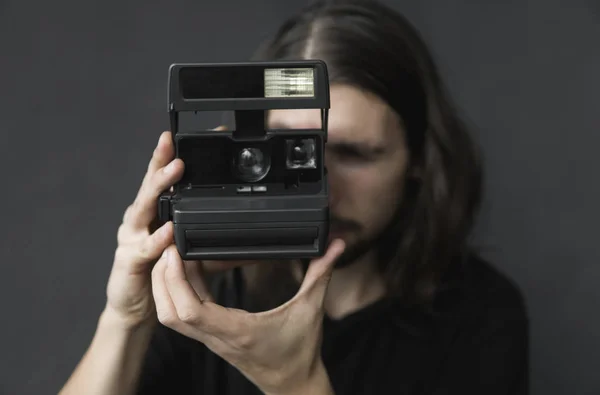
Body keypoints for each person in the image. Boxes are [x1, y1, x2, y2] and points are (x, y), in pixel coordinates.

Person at [59, 1, 529, 394]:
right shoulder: (205, 287)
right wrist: (127, 319)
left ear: (419, 160)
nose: (323, 188)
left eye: (353, 153)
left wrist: (295, 384)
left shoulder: (480, 314)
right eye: (291, 152)